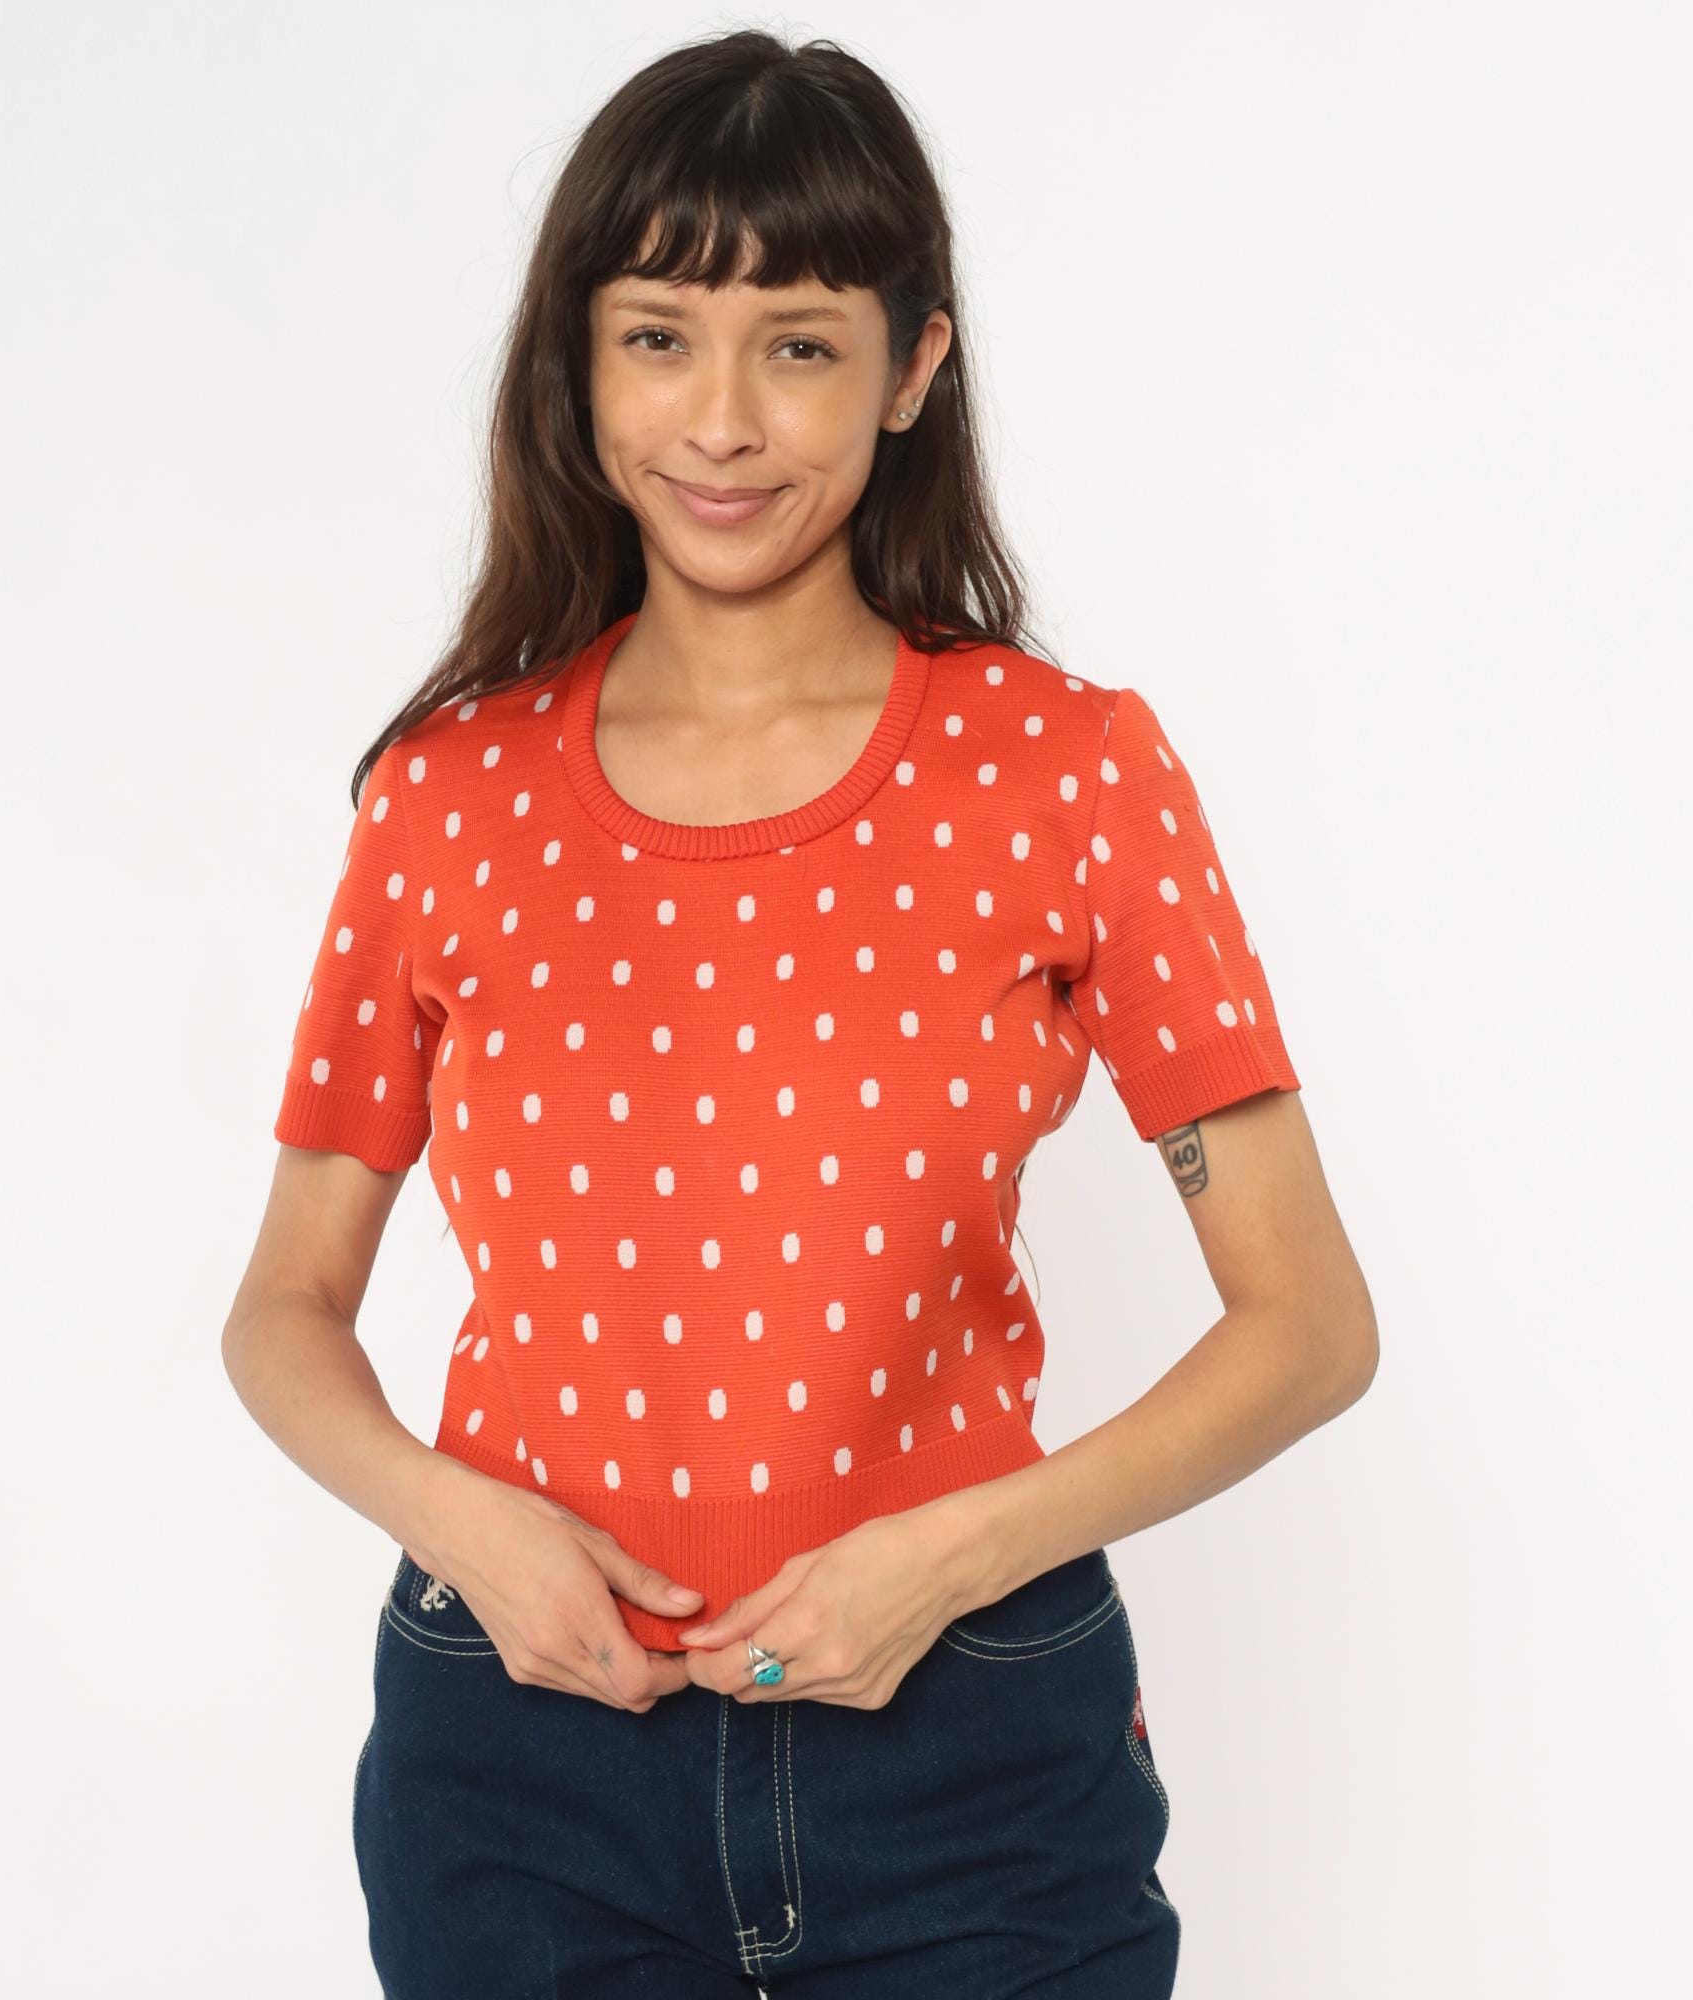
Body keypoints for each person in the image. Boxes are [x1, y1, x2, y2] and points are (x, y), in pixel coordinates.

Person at [222, 27, 1376, 2000]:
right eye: (659, 338)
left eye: (802, 345)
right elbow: (283, 1310)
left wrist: (949, 1557)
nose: (725, 420)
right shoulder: (448, 797)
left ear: (913, 368)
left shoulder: (1066, 773)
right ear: (579, 363)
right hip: (524, 1776)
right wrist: (464, 1529)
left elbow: (1308, 1321)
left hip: (971, 1767)